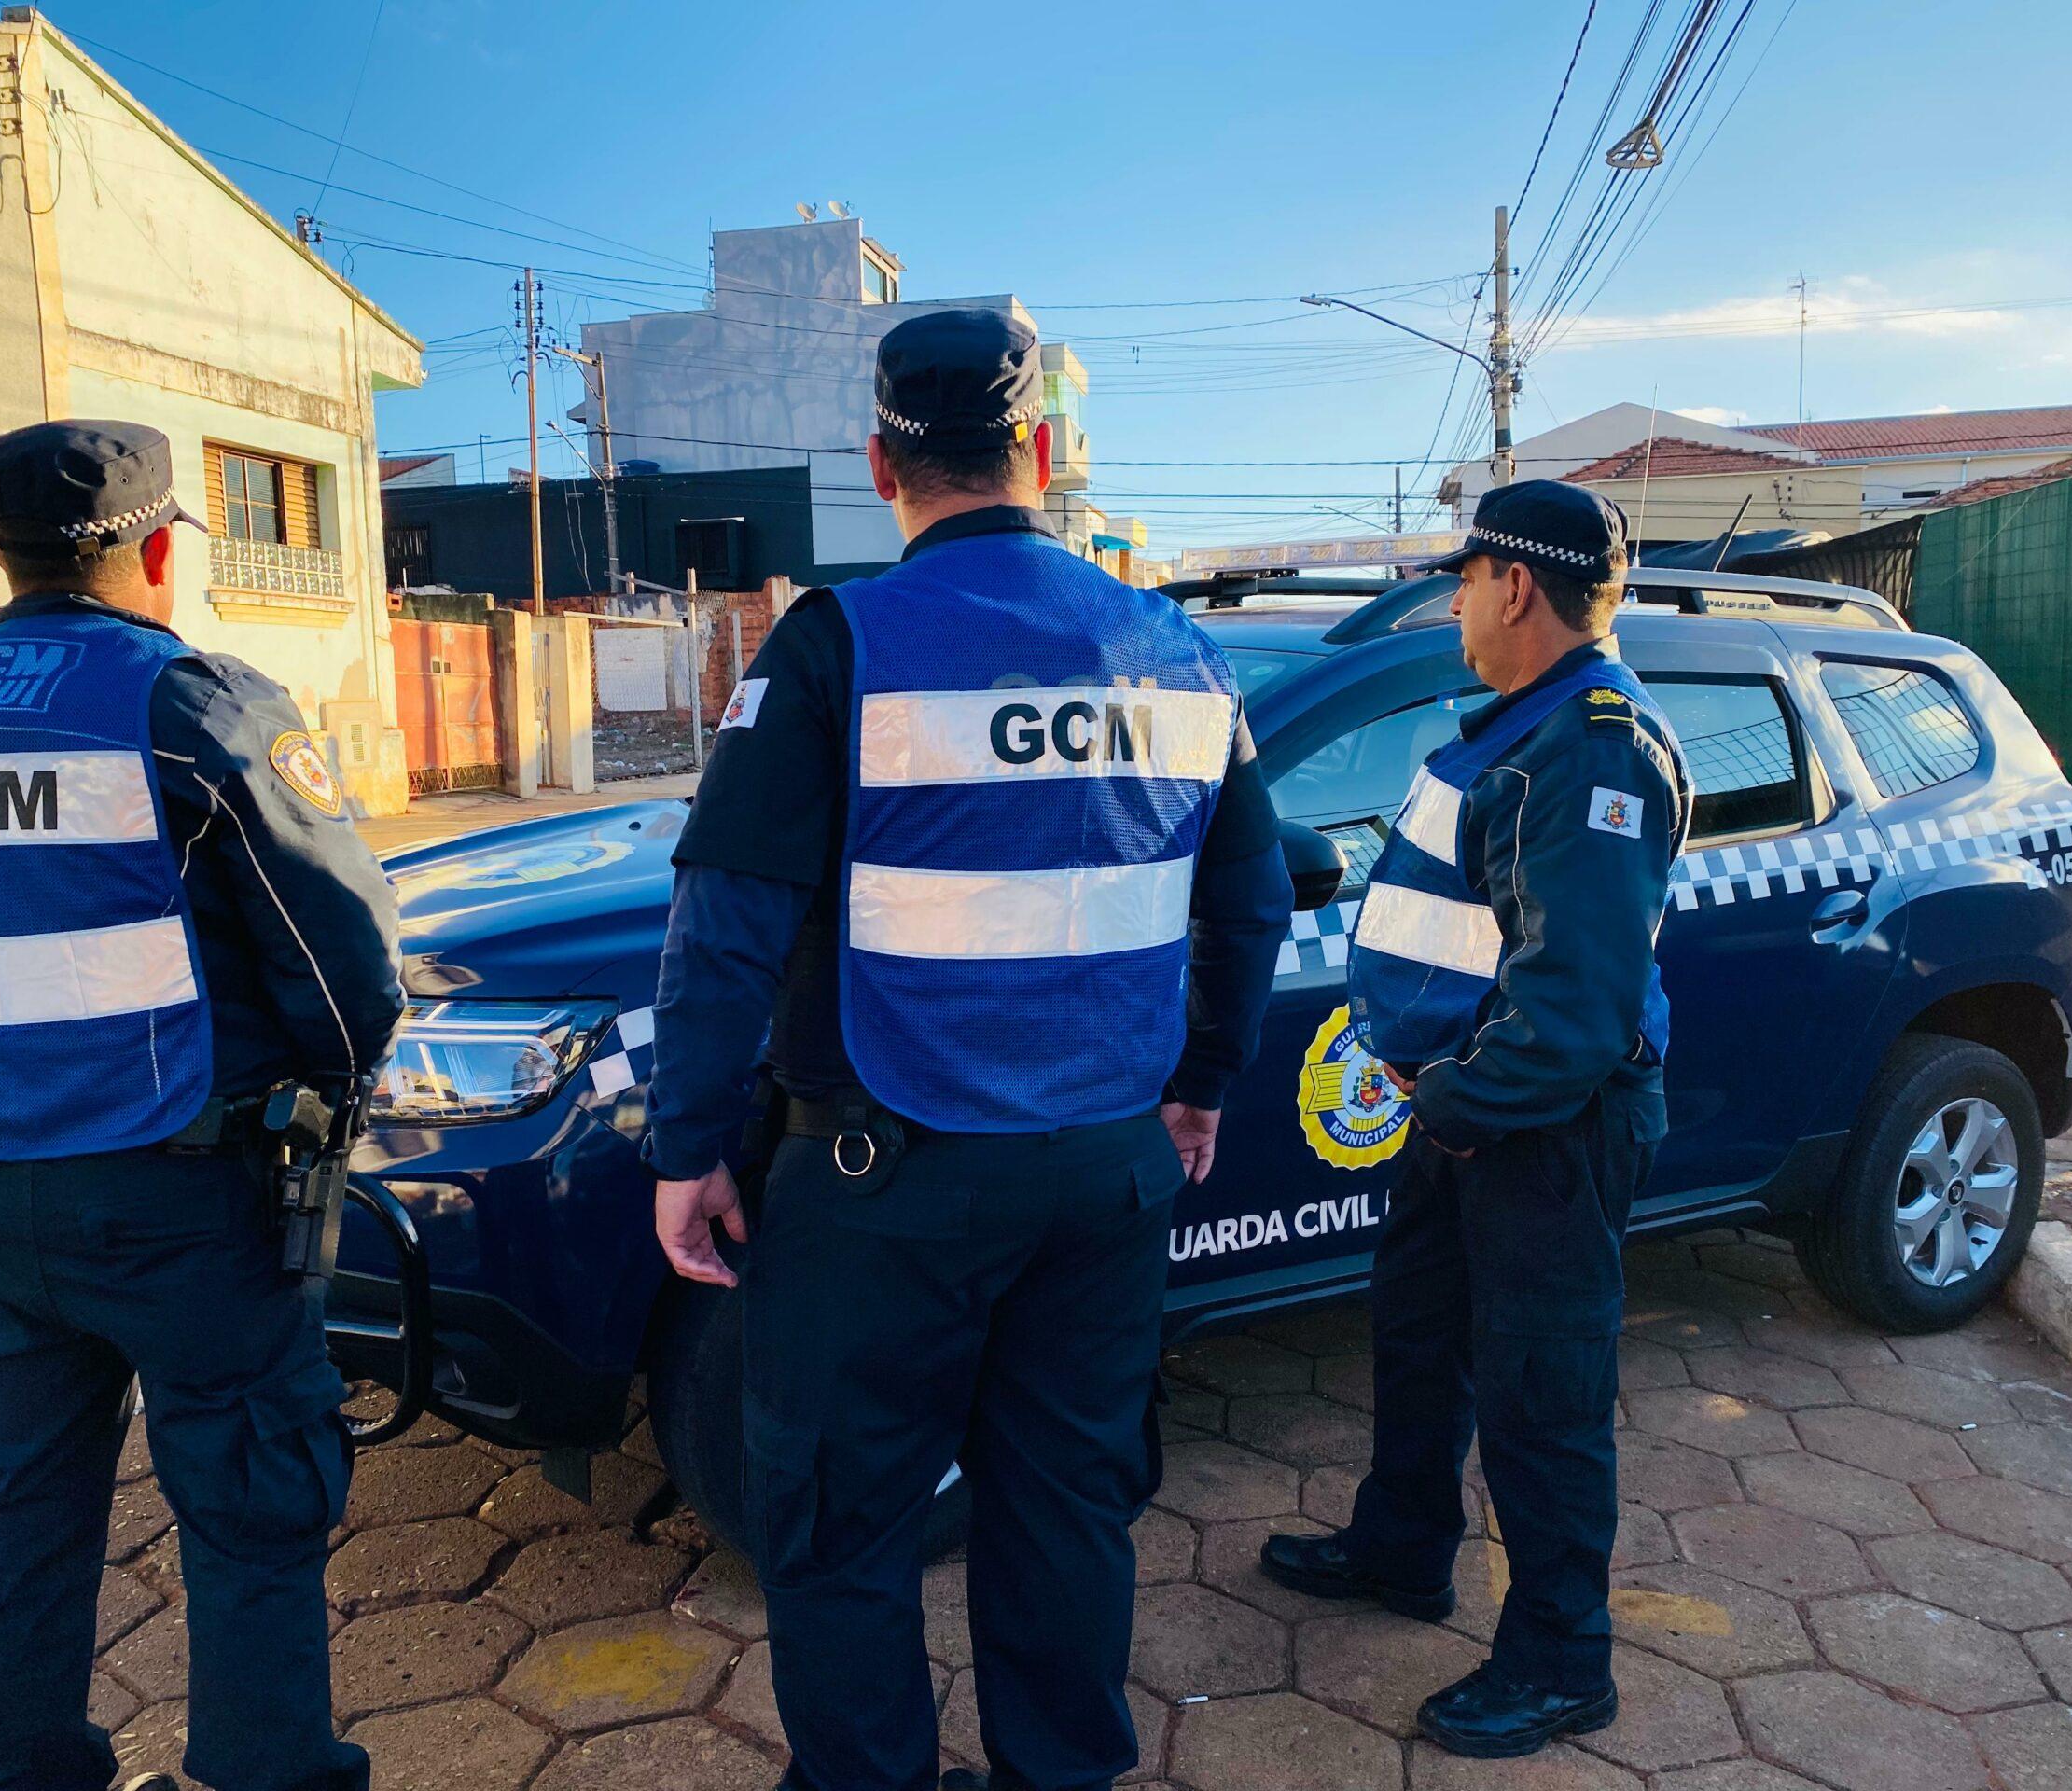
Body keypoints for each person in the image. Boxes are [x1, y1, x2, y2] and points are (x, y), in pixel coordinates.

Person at [646, 309, 1294, 1791]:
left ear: (881, 463)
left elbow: (724, 930)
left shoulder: (838, 644)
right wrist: (1200, 1081)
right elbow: (1250, 898)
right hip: (1105, 1178)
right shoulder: (1177, 650)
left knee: (841, 1526)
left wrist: (688, 1151)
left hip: (883, 1190)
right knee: (1066, 1511)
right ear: (1045, 457)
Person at [0, 421, 403, 1791]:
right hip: (192, 1199)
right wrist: (324, 1098)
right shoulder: (195, 703)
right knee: (252, 1508)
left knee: (15, 1526)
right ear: (154, 547)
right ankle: (269, 1771)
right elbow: (348, 969)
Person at [1257, 480, 1690, 1760]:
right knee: (1420, 1336)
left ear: (1516, 584)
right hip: (1471, 1115)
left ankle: (1562, 1662)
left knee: (1541, 1395)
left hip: (1538, 1126)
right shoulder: (1523, 725)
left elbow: (1577, 1009)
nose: (1453, 600)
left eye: (1464, 578)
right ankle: (1403, 1550)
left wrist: (1451, 1106)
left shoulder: (1592, 745)